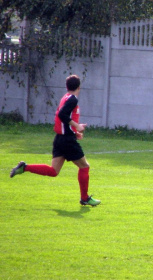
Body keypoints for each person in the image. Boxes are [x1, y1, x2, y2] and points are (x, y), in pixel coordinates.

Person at [10, 75, 101, 206]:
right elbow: (62, 115)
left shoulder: (65, 97)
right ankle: (84, 198)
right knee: (84, 166)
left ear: (67, 86)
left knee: (54, 171)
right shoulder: (73, 99)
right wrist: (77, 127)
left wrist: (75, 132)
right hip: (66, 141)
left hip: (60, 138)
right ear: (79, 87)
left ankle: (25, 167)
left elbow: (63, 119)